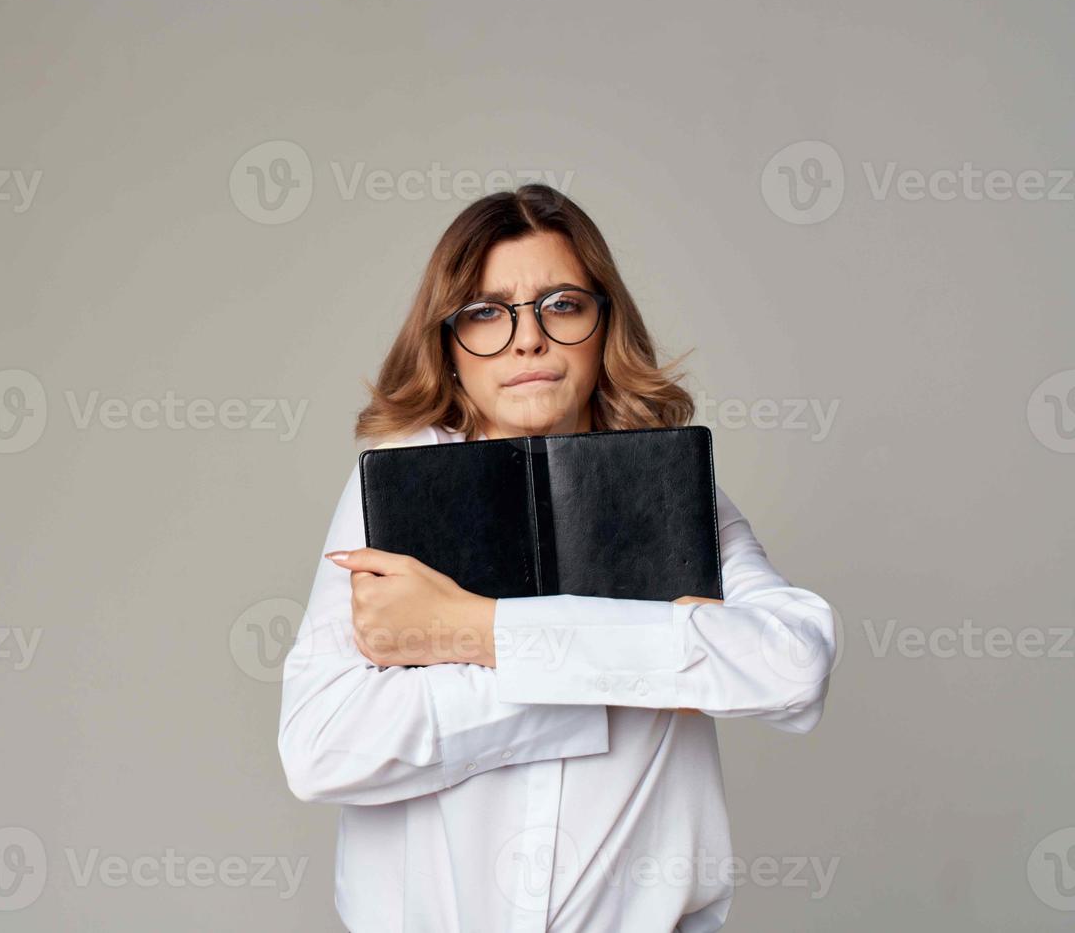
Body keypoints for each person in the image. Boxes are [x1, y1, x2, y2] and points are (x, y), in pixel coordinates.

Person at [276, 185, 836, 932]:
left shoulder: (669, 487)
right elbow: (322, 747)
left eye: (561, 304)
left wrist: (473, 632)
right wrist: (639, 661)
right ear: (446, 346)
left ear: (604, 325)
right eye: (485, 313)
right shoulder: (397, 488)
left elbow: (791, 667)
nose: (526, 339)